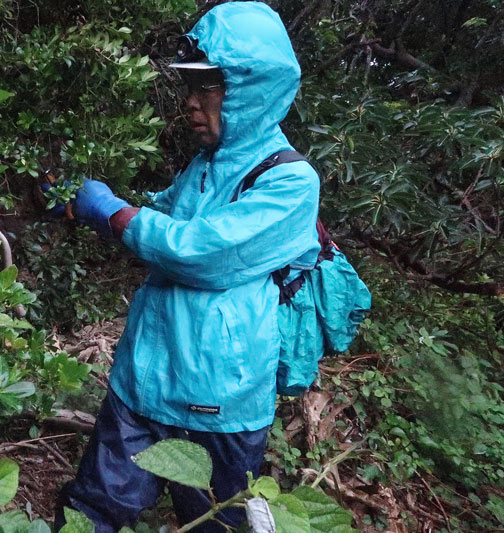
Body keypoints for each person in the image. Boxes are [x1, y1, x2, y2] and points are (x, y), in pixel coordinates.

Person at [53, 3, 321, 531]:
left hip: (220, 395)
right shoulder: (207, 163)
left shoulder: (290, 182)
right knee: (96, 509)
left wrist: (111, 211)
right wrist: (89, 203)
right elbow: (165, 213)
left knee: (216, 519)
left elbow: (197, 252)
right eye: (189, 88)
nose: (191, 105)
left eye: (208, 89)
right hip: (145, 374)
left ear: (252, 88)